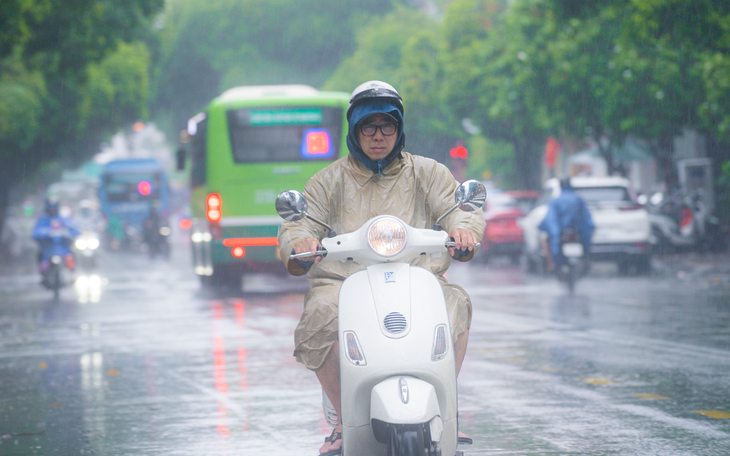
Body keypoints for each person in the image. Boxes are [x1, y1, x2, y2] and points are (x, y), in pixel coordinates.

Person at [277, 81, 485, 456]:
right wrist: (300, 242)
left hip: (417, 278)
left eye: (387, 125)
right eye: (368, 126)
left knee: (456, 302)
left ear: (399, 129)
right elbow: (299, 223)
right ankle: (344, 418)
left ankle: (442, 405)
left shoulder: (429, 173)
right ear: (354, 131)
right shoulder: (328, 181)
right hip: (344, 282)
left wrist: (462, 230)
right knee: (318, 314)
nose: (378, 135)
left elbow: (459, 210)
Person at [538, 177, 595, 272]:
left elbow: (550, 220)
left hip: (561, 234)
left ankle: (551, 264)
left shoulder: (555, 201)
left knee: (545, 241)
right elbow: (587, 219)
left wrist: (546, 229)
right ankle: (587, 261)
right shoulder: (578, 199)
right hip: (578, 232)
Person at [32, 197, 80, 284]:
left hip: (63, 249)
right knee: (40, 256)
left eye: (54, 208)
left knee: (71, 255)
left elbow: (74, 229)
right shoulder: (43, 219)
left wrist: (67, 233)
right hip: (48, 250)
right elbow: (35, 232)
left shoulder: (63, 219)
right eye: (50, 208)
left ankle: (71, 274)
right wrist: (46, 233)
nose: (52, 210)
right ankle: (43, 276)